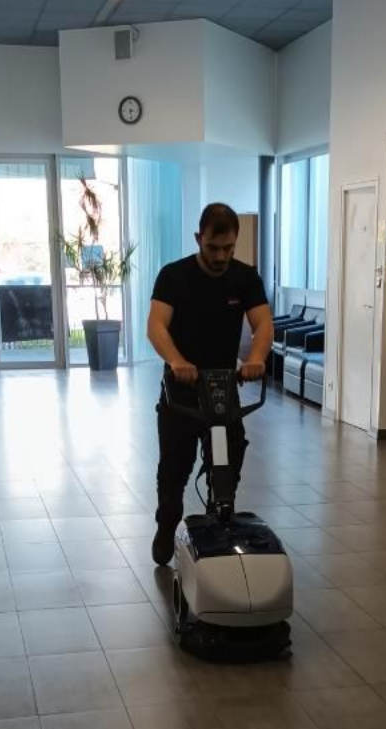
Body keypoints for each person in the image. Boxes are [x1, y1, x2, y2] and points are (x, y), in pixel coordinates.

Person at [147, 203, 274, 566]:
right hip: (181, 389)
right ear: (198, 239)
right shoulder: (174, 276)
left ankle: (220, 526)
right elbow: (156, 325)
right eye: (213, 247)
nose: (221, 256)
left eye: (228, 248)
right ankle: (166, 524)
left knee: (230, 459)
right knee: (174, 469)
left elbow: (262, 324)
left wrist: (256, 359)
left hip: (222, 387)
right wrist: (177, 361)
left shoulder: (245, 278)